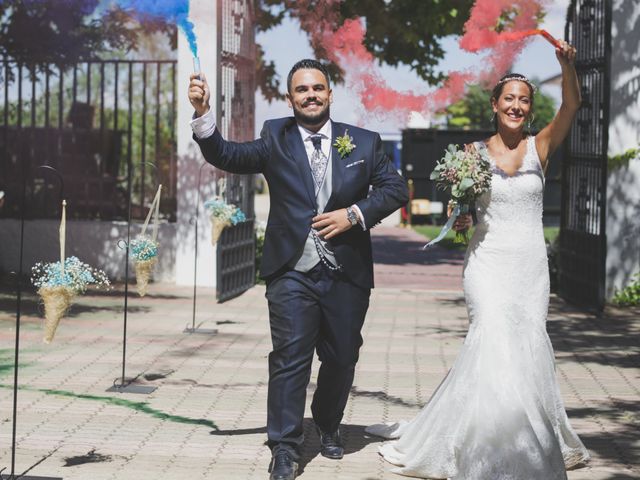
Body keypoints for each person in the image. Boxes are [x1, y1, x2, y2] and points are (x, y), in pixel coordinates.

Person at [366, 40, 590, 479]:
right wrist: (461, 215)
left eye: (524, 101)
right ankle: (484, 443)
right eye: (509, 98)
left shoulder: (540, 147)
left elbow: (573, 103)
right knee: (490, 340)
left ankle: (529, 440)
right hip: (486, 265)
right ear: (494, 103)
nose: (517, 107)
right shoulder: (470, 155)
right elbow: (462, 216)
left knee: (525, 347)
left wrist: (566, 65)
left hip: (528, 267)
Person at [188, 59, 409, 480]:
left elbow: (394, 188)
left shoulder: (363, 142)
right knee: (290, 357)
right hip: (291, 268)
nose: (310, 95)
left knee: (343, 356)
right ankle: (285, 447)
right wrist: (202, 116)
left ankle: (327, 422)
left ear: (330, 94)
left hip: (347, 270)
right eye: (301, 90)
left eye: (317, 88)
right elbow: (228, 155)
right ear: (290, 99)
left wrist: (355, 214)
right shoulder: (276, 136)